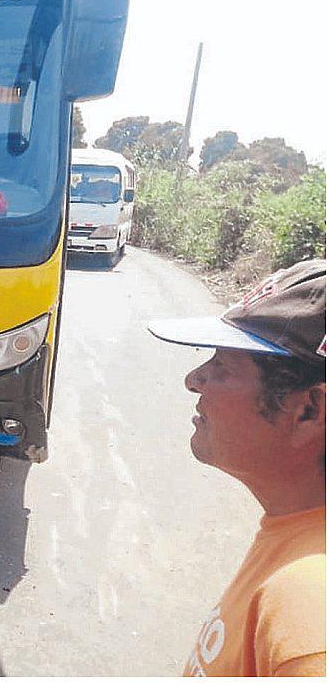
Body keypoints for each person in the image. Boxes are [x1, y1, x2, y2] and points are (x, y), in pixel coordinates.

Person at [149, 259, 325, 677]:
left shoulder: (309, 602)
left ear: (309, 411)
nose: (194, 378)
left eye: (224, 366)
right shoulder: (294, 532)